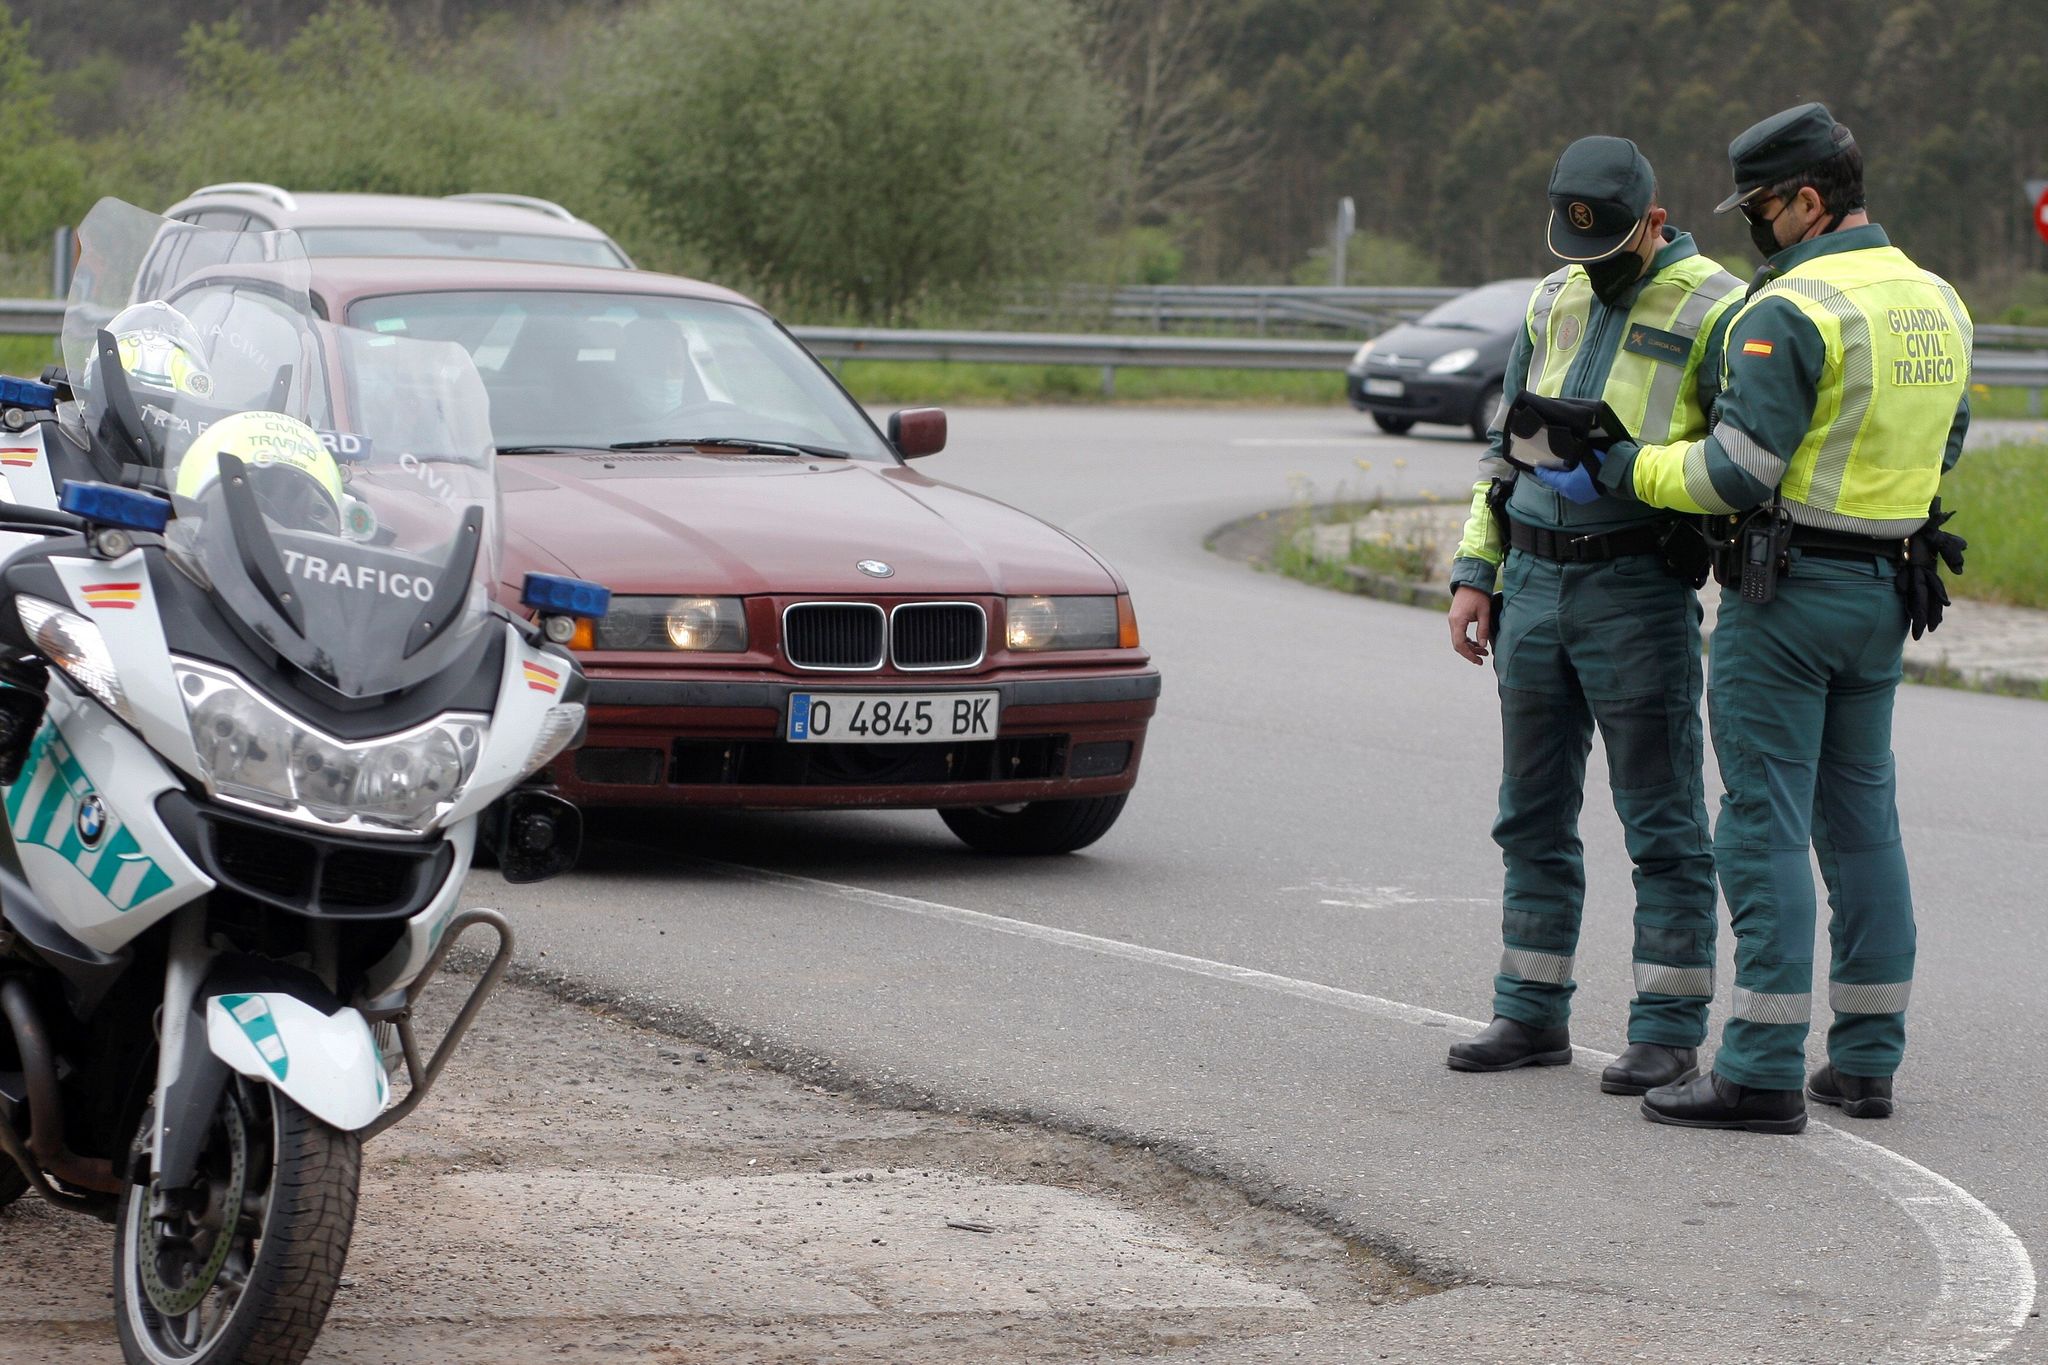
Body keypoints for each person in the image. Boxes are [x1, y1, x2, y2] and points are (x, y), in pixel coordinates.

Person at [1587, 104, 1971, 1133]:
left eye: (1759, 208)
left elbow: (1734, 471)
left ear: (1808, 200)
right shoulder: (1936, 299)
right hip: (1885, 588)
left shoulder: (1791, 307)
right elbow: (1945, 442)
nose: (1754, 227)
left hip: (1785, 595)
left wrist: (1627, 465)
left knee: (1761, 824)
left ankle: (1757, 1068)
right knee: (1862, 825)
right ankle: (1866, 1061)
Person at [1445, 136, 1745, 1094]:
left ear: (1654, 220)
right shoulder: (1553, 297)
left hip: (1636, 586)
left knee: (1662, 819)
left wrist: (1626, 474)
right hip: (1533, 582)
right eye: (1577, 247)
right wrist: (1476, 570)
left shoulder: (1719, 307)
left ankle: (1666, 1028)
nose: (1592, 265)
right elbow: (1504, 448)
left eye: (1610, 246)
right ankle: (1529, 1010)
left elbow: (1736, 463)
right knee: (1529, 813)